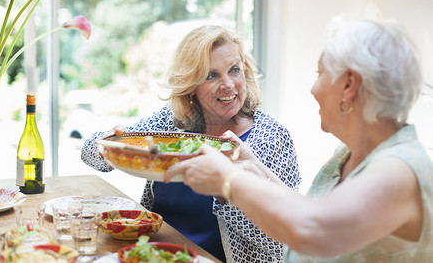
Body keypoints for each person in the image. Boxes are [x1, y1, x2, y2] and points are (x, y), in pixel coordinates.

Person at [164, 18, 433, 262]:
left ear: (349, 86)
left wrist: (227, 180)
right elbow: (313, 211)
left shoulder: (399, 168)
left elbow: (314, 231)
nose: (313, 89)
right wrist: (258, 170)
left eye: (320, 73)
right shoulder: (348, 155)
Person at [81, 25, 301, 262]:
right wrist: (108, 145)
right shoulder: (171, 122)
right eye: (211, 75)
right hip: (153, 255)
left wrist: (228, 193)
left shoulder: (272, 138)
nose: (228, 84)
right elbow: (89, 154)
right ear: (191, 86)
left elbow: (281, 244)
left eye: (234, 70)